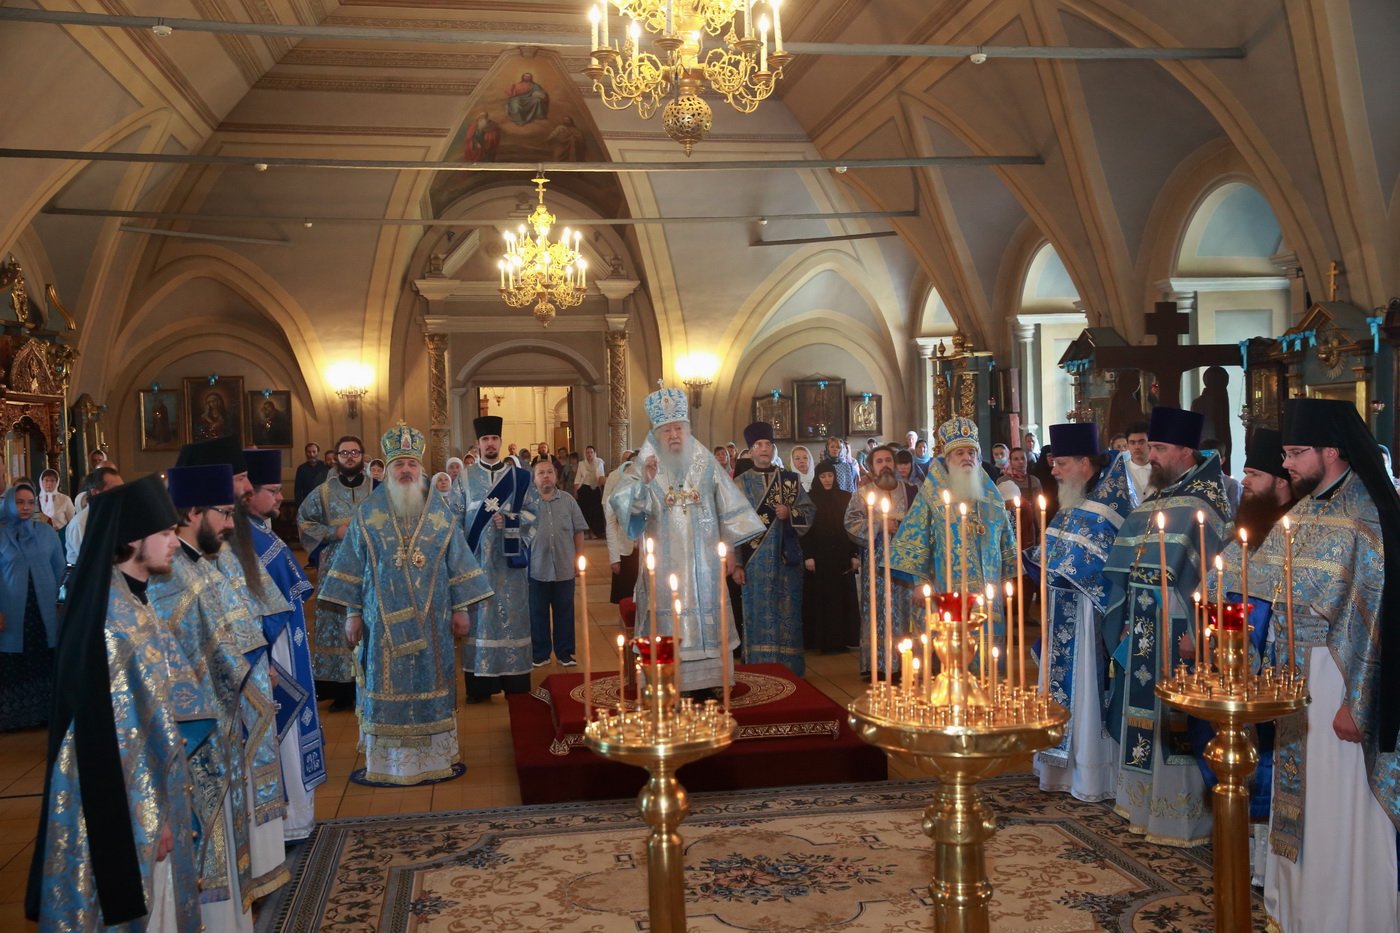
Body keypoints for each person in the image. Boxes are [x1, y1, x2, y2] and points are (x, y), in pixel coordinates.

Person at [1213, 400, 1400, 932]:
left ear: (1332, 451)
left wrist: (1358, 704)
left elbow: (1381, 622)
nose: (1287, 463)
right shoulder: (1306, 510)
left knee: (1339, 809)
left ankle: (1349, 917)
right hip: (1296, 678)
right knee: (1301, 806)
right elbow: (1252, 577)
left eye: (1297, 453)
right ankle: (1298, 913)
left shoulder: (1366, 517)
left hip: (1339, 679)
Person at [26, 475, 214, 931]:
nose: (174, 543)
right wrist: (150, 819)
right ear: (133, 539)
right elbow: (118, 740)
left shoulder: (131, 601)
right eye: (166, 534)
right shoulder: (114, 624)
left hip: (152, 793)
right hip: (127, 806)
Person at [322, 424, 492, 785]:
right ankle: (388, 765)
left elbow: (457, 560)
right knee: (386, 688)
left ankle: (435, 758)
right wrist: (352, 614)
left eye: (411, 465)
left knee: (432, 683)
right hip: (379, 623)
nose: (405, 472)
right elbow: (353, 565)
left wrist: (462, 609)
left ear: (421, 470)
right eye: (398, 465)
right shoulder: (367, 514)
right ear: (386, 468)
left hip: (434, 620)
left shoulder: (440, 514)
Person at [1101, 406, 1229, 847]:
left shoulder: (1205, 503)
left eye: (1158, 448)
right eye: (1149, 447)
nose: (1149, 456)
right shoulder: (1155, 499)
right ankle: (1142, 804)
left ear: (1185, 450)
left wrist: (1201, 631)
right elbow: (1128, 570)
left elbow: (1218, 576)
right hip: (1140, 629)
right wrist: (1122, 622)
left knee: (1175, 721)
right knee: (1143, 716)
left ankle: (1182, 817)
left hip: (1179, 632)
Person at [178, 435, 290, 898]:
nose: (243, 493)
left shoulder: (220, 545)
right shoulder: (188, 567)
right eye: (237, 482)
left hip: (243, 688)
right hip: (215, 705)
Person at [150, 462, 259, 931]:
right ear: (195, 511)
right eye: (224, 513)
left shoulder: (203, 568)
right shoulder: (175, 580)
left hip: (220, 720)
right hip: (196, 733)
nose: (232, 523)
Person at [609, 387, 764, 693]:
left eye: (679, 427)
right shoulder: (646, 464)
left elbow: (729, 505)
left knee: (709, 613)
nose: (674, 434)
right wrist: (645, 483)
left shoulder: (704, 460)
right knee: (662, 617)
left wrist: (730, 547)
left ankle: (714, 681)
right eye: (667, 429)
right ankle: (662, 683)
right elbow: (624, 505)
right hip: (662, 564)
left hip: (704, 562)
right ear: (657, 431)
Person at [1028, 424, 1135, 803]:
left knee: (1087, 691)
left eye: (1060, 463)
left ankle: (1090, 775)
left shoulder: (1110, 507)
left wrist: (1059, 567)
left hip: (1091, 620)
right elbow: (1051, 555)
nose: (1053, 471)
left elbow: (1110, 566)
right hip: (1061, 611)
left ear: (1084, 462)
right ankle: (1060, 769)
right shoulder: (1073, 503)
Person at [239, 449, 325, 842]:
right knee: (282, 728)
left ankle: (297, 817)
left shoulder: (260, 529)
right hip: (273, 651)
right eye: (271, 491)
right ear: (247, 493)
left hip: (286, 643)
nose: (278, 498)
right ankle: (288, 821)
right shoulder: (246, 537)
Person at [887, 417, 1017, 648]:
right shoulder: (931, 496)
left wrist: (1009, 579)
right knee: (951, 653)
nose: (967, 457)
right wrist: (919, 582)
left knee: (989, 656)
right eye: (959, 453)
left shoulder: (992, 498)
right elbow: (915, 541)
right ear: (947, 459)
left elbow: (1006, 543)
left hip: (989, 593)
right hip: (946, 590)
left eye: (971, 452)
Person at [459, 415, 535, 704]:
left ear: (500, 442)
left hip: (510, 568)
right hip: (475, 566)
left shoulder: (520, 477)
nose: (490, 444)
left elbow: (534, 513)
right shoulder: (464, 478)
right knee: (480, 622)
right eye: (485, 440)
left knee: (513, 619)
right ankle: (480, 686)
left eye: (494, 439)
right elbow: (453, 520)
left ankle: (515, 682)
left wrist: (513, 522)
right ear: (478, 444)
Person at [298, 435, 373, 711]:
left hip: (370, 567)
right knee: (335, 620)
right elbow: (304, 520)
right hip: (335, 567)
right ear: (337, 458)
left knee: (370, 618)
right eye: (345, 453)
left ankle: (372, 683)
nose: (350, 457)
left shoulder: (377, 489)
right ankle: (340, 691)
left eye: (355, 452)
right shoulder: (323, 492)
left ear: (363, 456)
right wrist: (333, 532)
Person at [735, 421, 813, 676]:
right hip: (754, 563)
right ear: (750, 451)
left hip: (786, 559)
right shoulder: (740, 484)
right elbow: (732, 527)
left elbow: (809, 510)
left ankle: (790, 670)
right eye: (759, 445)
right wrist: (736, 563)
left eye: (768, 444)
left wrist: (790, 512)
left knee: (788, 613)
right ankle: (759, 668)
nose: (764, 449)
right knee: (758, 615)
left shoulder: (789, 480)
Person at [845, 444, 920, 677]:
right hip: (876, 563)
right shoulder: (861, 494)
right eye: (880, 461)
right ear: (872, 466)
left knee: (905, 610)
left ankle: (904, 664)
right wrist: (879, 525)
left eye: (889, 460)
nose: (885, 464)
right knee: (878, 611)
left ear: (895, 464)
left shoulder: (912, 491)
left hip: (905, 562)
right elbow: (850, 524)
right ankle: (878, 665)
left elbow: (923, 524)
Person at [0, 484, 67, 731]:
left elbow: (61, 571)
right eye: (19, 502)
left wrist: (63, 603)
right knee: (13, 659)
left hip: (44, 609)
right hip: (11, 608)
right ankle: (14, 718)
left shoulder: (46, 533)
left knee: (44, 656)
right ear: (9, 503)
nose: (26, 507)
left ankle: (46, 713)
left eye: (30, 502)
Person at [526, 458, 588, 667]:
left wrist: (578, 558)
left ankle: (564, 652)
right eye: (541, 473)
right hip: (537, 567)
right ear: (534, 478)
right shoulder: (528, 503)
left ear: (555, 476)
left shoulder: (568, 501)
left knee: (565, 611)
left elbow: (578, 531)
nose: (546, 476)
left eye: (549, 472)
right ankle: (540, 653)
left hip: (564, 566)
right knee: (537, 612)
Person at [802, 461, 860, 653]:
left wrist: (854, 554)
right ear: (817, 478)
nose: (827, 480)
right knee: (821, 598)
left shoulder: (845, 497)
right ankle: (821, 641)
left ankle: (841, 640)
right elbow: (805, 530)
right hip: (819, 556)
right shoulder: (809, 498)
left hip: (841, 555)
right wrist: (808, 555)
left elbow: (851, 527)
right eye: (823, 476)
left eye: (830, 476)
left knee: (841, 598)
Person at [65, 466, 123, 565]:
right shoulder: (81, 522)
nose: (122, 493)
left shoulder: (116, 515)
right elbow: (93, 561)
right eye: (116, 489)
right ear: (95, 493)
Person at [604, 453, 640, 607]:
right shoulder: (617, 490)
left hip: (647, 550)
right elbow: (611, 525)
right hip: (625, 549)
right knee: (626, 598)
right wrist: (614, 558)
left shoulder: (651, 488)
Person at [575, 444, 607, 538]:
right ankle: (585, 532)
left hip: (595, 489)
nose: (589, 454)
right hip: (584, 489)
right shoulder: (581, 464)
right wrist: (575, 491)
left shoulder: (599, 462)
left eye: (591, 452)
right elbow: (578, 478)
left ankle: (596, 532)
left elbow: (601, 476)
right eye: (587, 452)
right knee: (584, 511)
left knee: (596, 511)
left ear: (594, 453)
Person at [1123, 420, 1154, 501]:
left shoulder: (1161, 470)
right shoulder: (1122, 472)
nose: (1137, 447)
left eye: (1141, 442)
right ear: (1127, 445)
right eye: (1132, 442)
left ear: (1149, 443)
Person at [293, 442, 328, 508]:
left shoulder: (325, 467)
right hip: (307, 504)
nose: (311, 454)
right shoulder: (301, 468)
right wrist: (300, 507)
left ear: (318, 452)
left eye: (314, 452)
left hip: (324, 504)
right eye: (309, 452)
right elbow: (298, 490)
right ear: (306, 453)